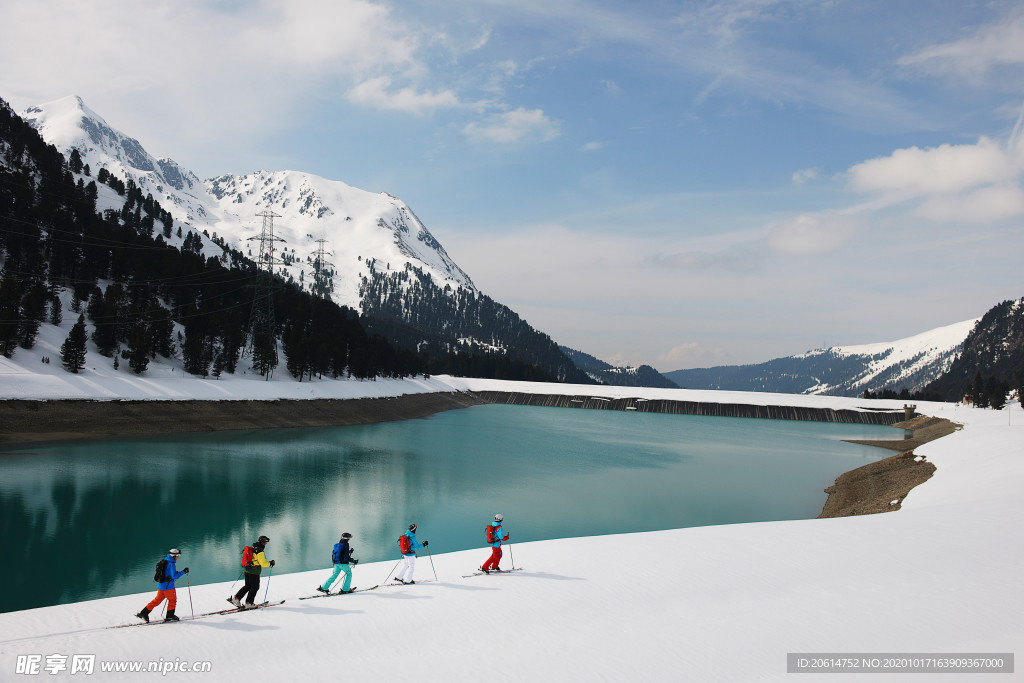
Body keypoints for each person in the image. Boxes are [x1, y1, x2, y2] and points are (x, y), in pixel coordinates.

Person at [136, 548, 189, 623]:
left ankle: (143, 613)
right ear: (173, 556)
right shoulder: (171, 564)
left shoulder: (165, 561)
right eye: (177, 556)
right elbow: (174, 576)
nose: (178, 557)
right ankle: (170, 616)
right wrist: (183, 572)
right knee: (172, 600)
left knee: (156, 601)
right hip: (169, 587)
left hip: (161, 586)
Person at [230, 535, 275, 609]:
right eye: (266, 542)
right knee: (255, 587)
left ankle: (236, 598)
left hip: (247, 570)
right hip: (254, 571)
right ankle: (249, 603)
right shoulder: (260, 551)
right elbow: (262, 563)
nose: (266, 544)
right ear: (263, 542)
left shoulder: (253, 548)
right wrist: (270, 563)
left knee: (247, 586)